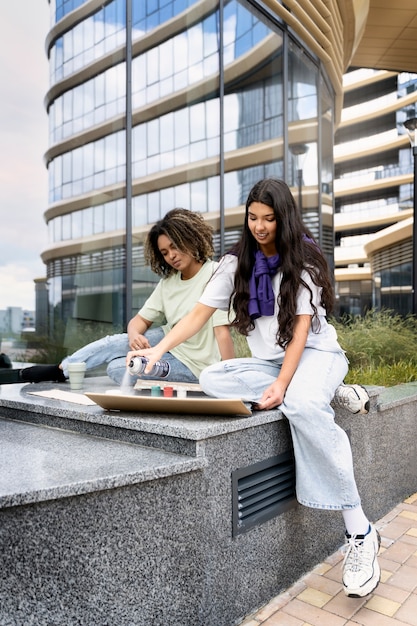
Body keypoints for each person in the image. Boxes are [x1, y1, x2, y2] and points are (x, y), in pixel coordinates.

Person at [126, 178, 379, 598]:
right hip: (268, 361)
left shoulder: (305, 260)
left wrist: (282, 384)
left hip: (315, 353)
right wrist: (158, 350)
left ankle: (360, 531)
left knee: (299, 402)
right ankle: (328, 391)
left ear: (284, 218)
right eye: (253, 218)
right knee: (213, 378)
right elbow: (197, 315)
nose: (260, 227)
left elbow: (300, 332)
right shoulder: (234, 263)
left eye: (269, 219)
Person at [1, 209, 234, 386]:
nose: (171, 256)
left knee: (118, 368)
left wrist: (228, 379)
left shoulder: (215, 274)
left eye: (175, 247)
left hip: (196, 364)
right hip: (167, 344)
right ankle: (61, 370)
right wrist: (134, 336)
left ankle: (77, 371)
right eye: (164, 252)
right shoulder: (168, 283)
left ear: (191, 239)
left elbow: (222, 333)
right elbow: (138, 321)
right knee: (114, 343)